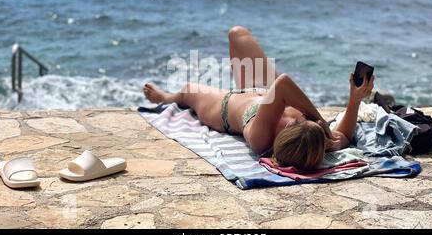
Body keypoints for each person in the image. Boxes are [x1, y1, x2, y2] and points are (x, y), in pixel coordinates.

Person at [144, 26, 374, 171]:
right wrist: (354, 100)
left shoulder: (260, 139)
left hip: (226, 106)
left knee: (187, 90)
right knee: (238, 34)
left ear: (292, 128)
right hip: (264, 90)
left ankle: (165, 97)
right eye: (310, 121)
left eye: (303, 122)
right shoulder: (313, 140)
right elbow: (343, 135)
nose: (309, 121)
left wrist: (320, 120)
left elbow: (283, 83)